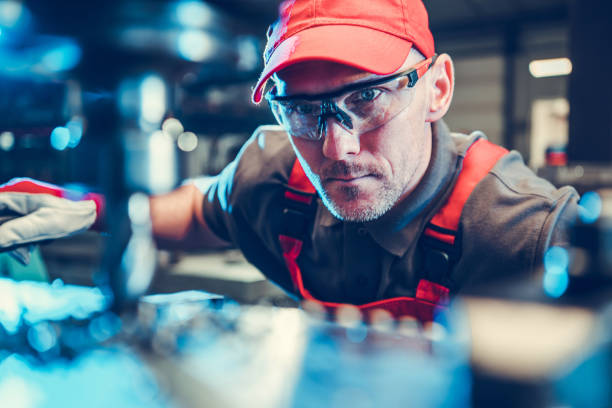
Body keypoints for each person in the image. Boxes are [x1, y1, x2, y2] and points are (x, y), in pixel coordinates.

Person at [0, 0, 578, 321]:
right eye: (302, 110)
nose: (335, 149)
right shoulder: (276, 177)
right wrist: (94, 207)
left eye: (367, 98)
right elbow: (200, 213)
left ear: (438, 88)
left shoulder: (523, 233)